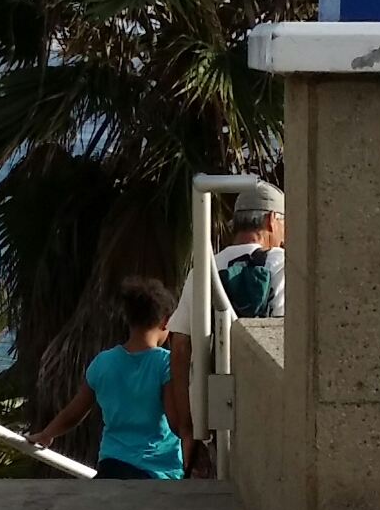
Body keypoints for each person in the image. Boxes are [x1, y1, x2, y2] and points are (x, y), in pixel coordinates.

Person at [27, 276, 192, 479]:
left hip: (112, 465)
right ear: (166, 322)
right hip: (156, 470)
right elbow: (176, 421)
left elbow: (74, 413)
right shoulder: (165, 363)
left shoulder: (103, 362)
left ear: (128, 318)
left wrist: (46, 434)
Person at [167, 181, 285, 449]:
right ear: (270, 220)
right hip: (264, 414)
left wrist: (188, 428)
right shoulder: (281, 264)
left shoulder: (204, 269)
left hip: (213, 414)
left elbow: (180, 346)